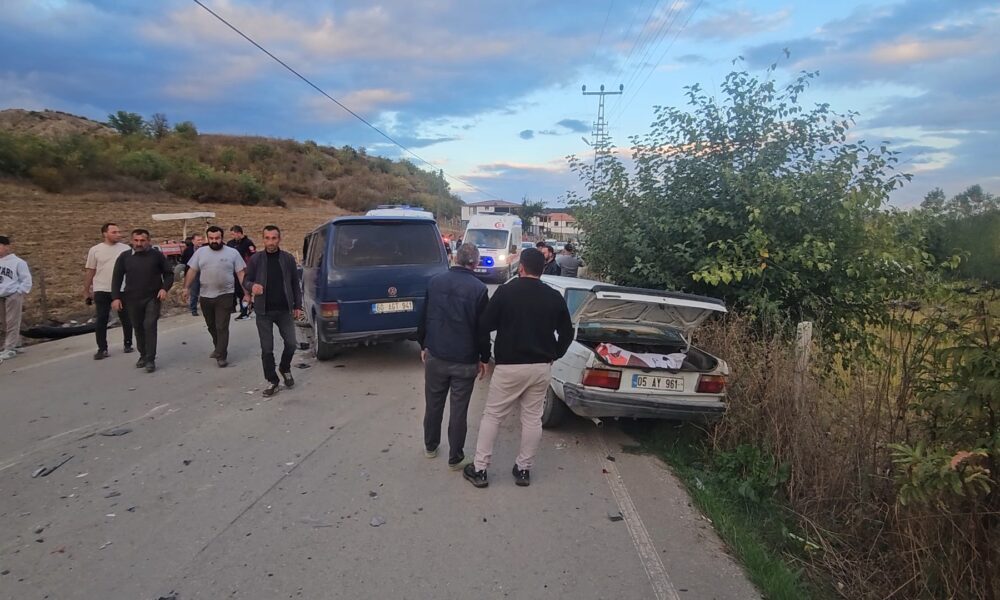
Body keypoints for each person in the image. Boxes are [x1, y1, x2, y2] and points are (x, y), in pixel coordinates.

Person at [464, 248, 573, 488]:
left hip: (509, 366)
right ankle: (523, 469)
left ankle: (480, 469)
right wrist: (555, 353)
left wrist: (483, 355)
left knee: (493, 415)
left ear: (521, 267)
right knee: (532, 419)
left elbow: (484, 325)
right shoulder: (554, 296)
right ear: (542, 270)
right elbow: (567, 332)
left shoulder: (506, 292)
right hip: (540, 367)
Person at [417, 243, 490, 471]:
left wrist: (423, 344)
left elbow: (424, 316)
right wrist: (484, 357)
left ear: (456, 259)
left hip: (436, 355)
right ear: (475, 263)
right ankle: (455, 458)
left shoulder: (435, 282)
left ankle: (430, 447)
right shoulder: (479, 289)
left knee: (433, 404)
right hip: (465, 360)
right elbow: (482, 329)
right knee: (459, 410)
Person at [242, 225, 302, 397]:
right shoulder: (256, 259)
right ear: (263, 239)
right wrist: (252, 286)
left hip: (284, 310)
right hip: (264, 312)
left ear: (279, 239)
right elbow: (246, 280)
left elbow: (295, 284)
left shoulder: (288, 259)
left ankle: (284, 367)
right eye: (267, 238)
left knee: (291, 344)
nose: (270, 242)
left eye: (274, 238)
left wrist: (297, 306)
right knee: (267, 349)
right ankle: (272, 381)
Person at [111, 229, 174, 373]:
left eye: (142, 241)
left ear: (148, 241)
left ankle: (150, 359)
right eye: (136, 240)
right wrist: (116, 297)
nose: (139, 244)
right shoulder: (124, 257)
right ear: (131, 241)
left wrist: (164, 288)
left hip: (153, 297)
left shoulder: (156, 255)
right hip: (132, 299)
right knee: (138, 327)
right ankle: (143, 355)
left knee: (149, 326)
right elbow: (117, 278)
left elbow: (169, 274)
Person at [183, 226, 246, 368]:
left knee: (221, 326)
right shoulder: (200, 252)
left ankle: (221, 355)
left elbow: (241, 274)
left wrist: (246, 294)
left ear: (222, 238)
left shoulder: (232, 253)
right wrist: (186, 287)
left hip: (225, 294)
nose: (214, 241)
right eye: (211, 238)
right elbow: (192, 270)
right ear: (207, 238)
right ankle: (219, 347)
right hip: (205, 296)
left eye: (217, 238)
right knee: (211, 326)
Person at [84, 223, 134, 360]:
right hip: (102, 288)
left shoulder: (126, 249)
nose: (118, 235)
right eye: (114, 232)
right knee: (102, 318)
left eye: (119, 232)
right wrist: (86, 290)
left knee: (126, 317)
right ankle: (102, 348)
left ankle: (128, 343)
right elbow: (90, 270)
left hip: (122, 289)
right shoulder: (95, 250)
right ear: (105, 234)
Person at [0, 235, 32, 361]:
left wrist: (19, 291)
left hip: (12, 295)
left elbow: (26, 279)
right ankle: (16, 344)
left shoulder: (18, 262)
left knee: (12, 321)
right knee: (4, 322)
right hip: (1, 296)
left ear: (7, 247)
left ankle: (9, 348)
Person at [228, 225, 256, 320]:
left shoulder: (248, 243)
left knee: (244, 291)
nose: (232, 236)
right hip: (233, 271)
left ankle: (244, 313)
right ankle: (251, 305)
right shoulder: (230, 243)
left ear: (239, 233)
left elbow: (253, 256)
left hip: (244, 271)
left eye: (233, 234)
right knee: (237, 292)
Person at [180, 233, 205, 316]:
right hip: (194, 273)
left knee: (205, 291)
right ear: (193, 241)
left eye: (201, 240)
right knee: (194, 291)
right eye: (198, 240)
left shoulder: (206, 249)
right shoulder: (188, 251)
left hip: (205, 273)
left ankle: (206, 308)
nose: (200, 241)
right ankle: (193, 309)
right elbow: (184, 263)